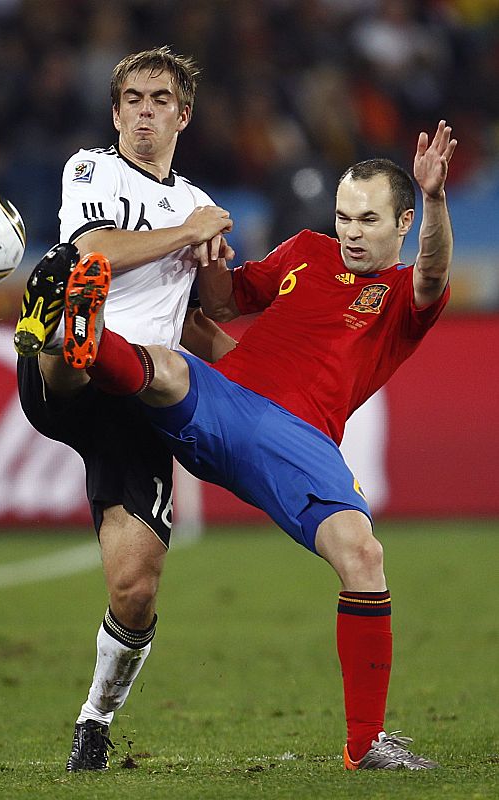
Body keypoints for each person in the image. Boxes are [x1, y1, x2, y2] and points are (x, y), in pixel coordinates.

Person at [55, 120, 457, 770]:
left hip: (298, 441)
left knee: (363, 556)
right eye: (343, 217)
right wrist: (211, 259)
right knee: (174, 364)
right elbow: (224, 300)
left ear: (403, 221)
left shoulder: (400, 297)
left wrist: (438, 199)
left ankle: (365, 744)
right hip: (225, 403)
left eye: (368, 219)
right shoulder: (305, 250)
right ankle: (81, 337)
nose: (351, 231)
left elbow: (436, 272)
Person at [13, 46, 236, 771]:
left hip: (139, 402)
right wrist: (189, 232)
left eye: (158, 99)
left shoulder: (196, 204)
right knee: (73, 278)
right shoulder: (91, 169)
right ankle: (67, 336)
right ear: (115, 113)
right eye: (132, 99)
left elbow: (195, 321)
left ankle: (95, 720)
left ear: (183, 114)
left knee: (135, 588)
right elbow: (94, 247)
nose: (144, 111)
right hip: (67, 387)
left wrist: (260, 375)